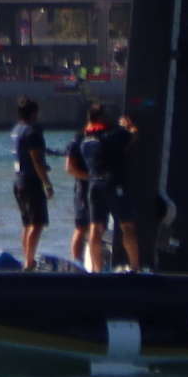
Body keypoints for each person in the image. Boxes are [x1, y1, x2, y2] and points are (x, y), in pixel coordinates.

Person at [7, 96, 54, 269]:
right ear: (34, 113)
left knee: (27, 223)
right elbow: (37, 161)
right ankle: (29, 262)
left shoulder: (16, 131)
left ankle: (28, 260)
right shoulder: (32, 132)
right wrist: (47, 183)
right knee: (37, 223)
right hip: (31, 182)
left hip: (18, 181)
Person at [66, 105, 113, 272]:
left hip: (99, 188)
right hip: (84, 188)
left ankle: (96, 266)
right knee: (81, 226)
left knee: (99, 226)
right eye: (106, 115)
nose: (109, 118)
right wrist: (91, 177)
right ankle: (76, 264)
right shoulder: (80, 138)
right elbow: (70, 167)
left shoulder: (104, 136)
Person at [105, 102, 151, 271]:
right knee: (127, 226)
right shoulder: (116, 138)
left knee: (95, 226)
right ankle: (135, 266)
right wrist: (130, 127)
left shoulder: (89, 139)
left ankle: (94, 268)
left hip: (98, 185)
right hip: (116, 185)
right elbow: (134, 136)